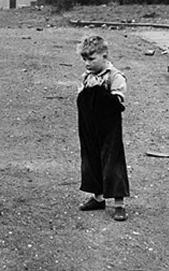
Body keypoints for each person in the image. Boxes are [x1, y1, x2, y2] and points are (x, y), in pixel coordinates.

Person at [75, 35, 130, 221]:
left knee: (112, 161)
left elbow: (116, 103)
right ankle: (98, 198)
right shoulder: (86, 77)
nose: (87, 64)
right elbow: (81, 100)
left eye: (91, 59)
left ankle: (119, 203)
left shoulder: (115, 76)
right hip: (89, 125)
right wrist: (88, 90)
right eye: (84, 59)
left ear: (104, 56)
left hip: (109, 127)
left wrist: (98, 90)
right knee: (91, 158)